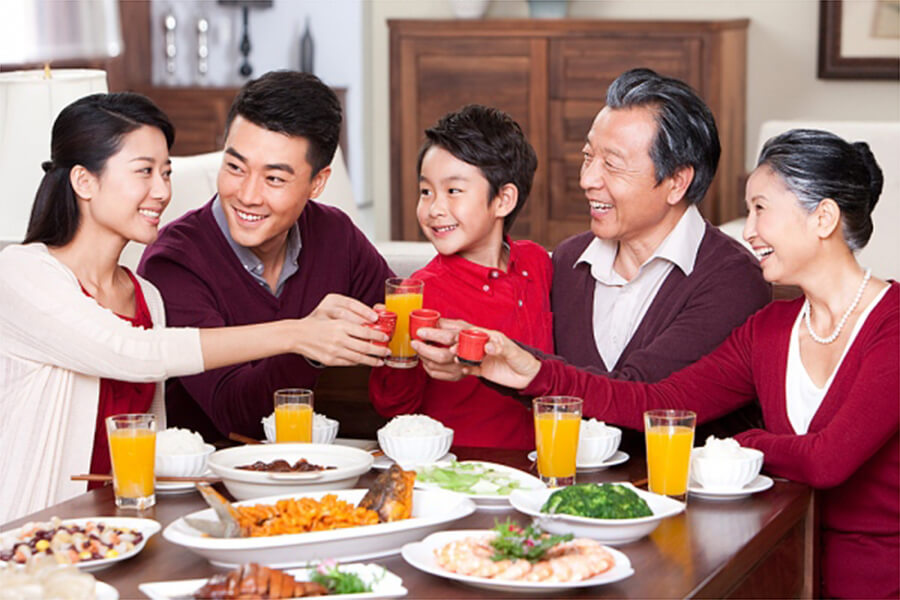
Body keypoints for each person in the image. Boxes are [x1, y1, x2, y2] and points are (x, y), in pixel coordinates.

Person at [467, 129, 899, 599]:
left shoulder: (891, 325)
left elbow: (827, 461)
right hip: (780, 566)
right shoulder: (769, 330)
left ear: (824, 218)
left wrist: (741, 444)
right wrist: (535, 373)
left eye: (760, 209)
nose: (748, 230)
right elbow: (660, 401)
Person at [0, 92, 390, 523]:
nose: (163, 191)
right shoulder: (21, 273)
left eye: (166, 172)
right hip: (29, 536)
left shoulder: (144, 295)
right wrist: (296, 333)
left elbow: (157, 441)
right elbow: (136, 353)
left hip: (121, 530)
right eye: (145, 172)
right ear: (84, 181)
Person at [414, 68, 771, 442]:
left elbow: (644, 398)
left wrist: (526, 367)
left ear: (676, 182)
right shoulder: (567, 262)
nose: (587, 179)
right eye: (588, 157)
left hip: (680, 495)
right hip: (558, 489)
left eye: (612, 165)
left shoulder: (732, 280)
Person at [139, 71, 394, 442]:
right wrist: (305, 344)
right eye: (235, 167)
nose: (247, 195)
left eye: (274, 179)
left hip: (320, 468)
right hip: (211, 482)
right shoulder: (173, 263)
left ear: (318, 183)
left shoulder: (336, 235)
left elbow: (395, 329)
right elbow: (234, 415)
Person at [369, 105, 552, 449]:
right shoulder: (419, 293)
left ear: (503, 200)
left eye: (453, 191)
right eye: (426, 191)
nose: (434, 208)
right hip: (456, 474)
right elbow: (393, 407)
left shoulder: (537, 262)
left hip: (538, 469)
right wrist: (396, 353)